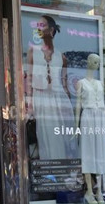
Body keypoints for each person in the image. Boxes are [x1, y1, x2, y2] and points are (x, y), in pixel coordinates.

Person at [25, 15, 75, 161]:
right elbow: (29, 79)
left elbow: (64, 83)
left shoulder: (61, 56)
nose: (39, 28)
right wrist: (30, 104)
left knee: (61, 136)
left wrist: (68, 105)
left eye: (42, 25)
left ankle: (63, 168)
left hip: (58, 99)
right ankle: (49, 171)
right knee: (44, 136)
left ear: (51, 30)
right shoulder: (32, 52)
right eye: (38, 25)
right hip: (41, 98)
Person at [75, 53, 105, 204]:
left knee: (101, 152)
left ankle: (99, 191)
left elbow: (103, 105)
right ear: (88, 62)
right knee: (88, 152)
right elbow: (78, 104)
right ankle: (89, 191)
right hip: (88, 117)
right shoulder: (81, 83)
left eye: (98, 62)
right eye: (94, 61)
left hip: (101, 118)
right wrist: (76, 125)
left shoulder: (100, 83)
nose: (96, 64)